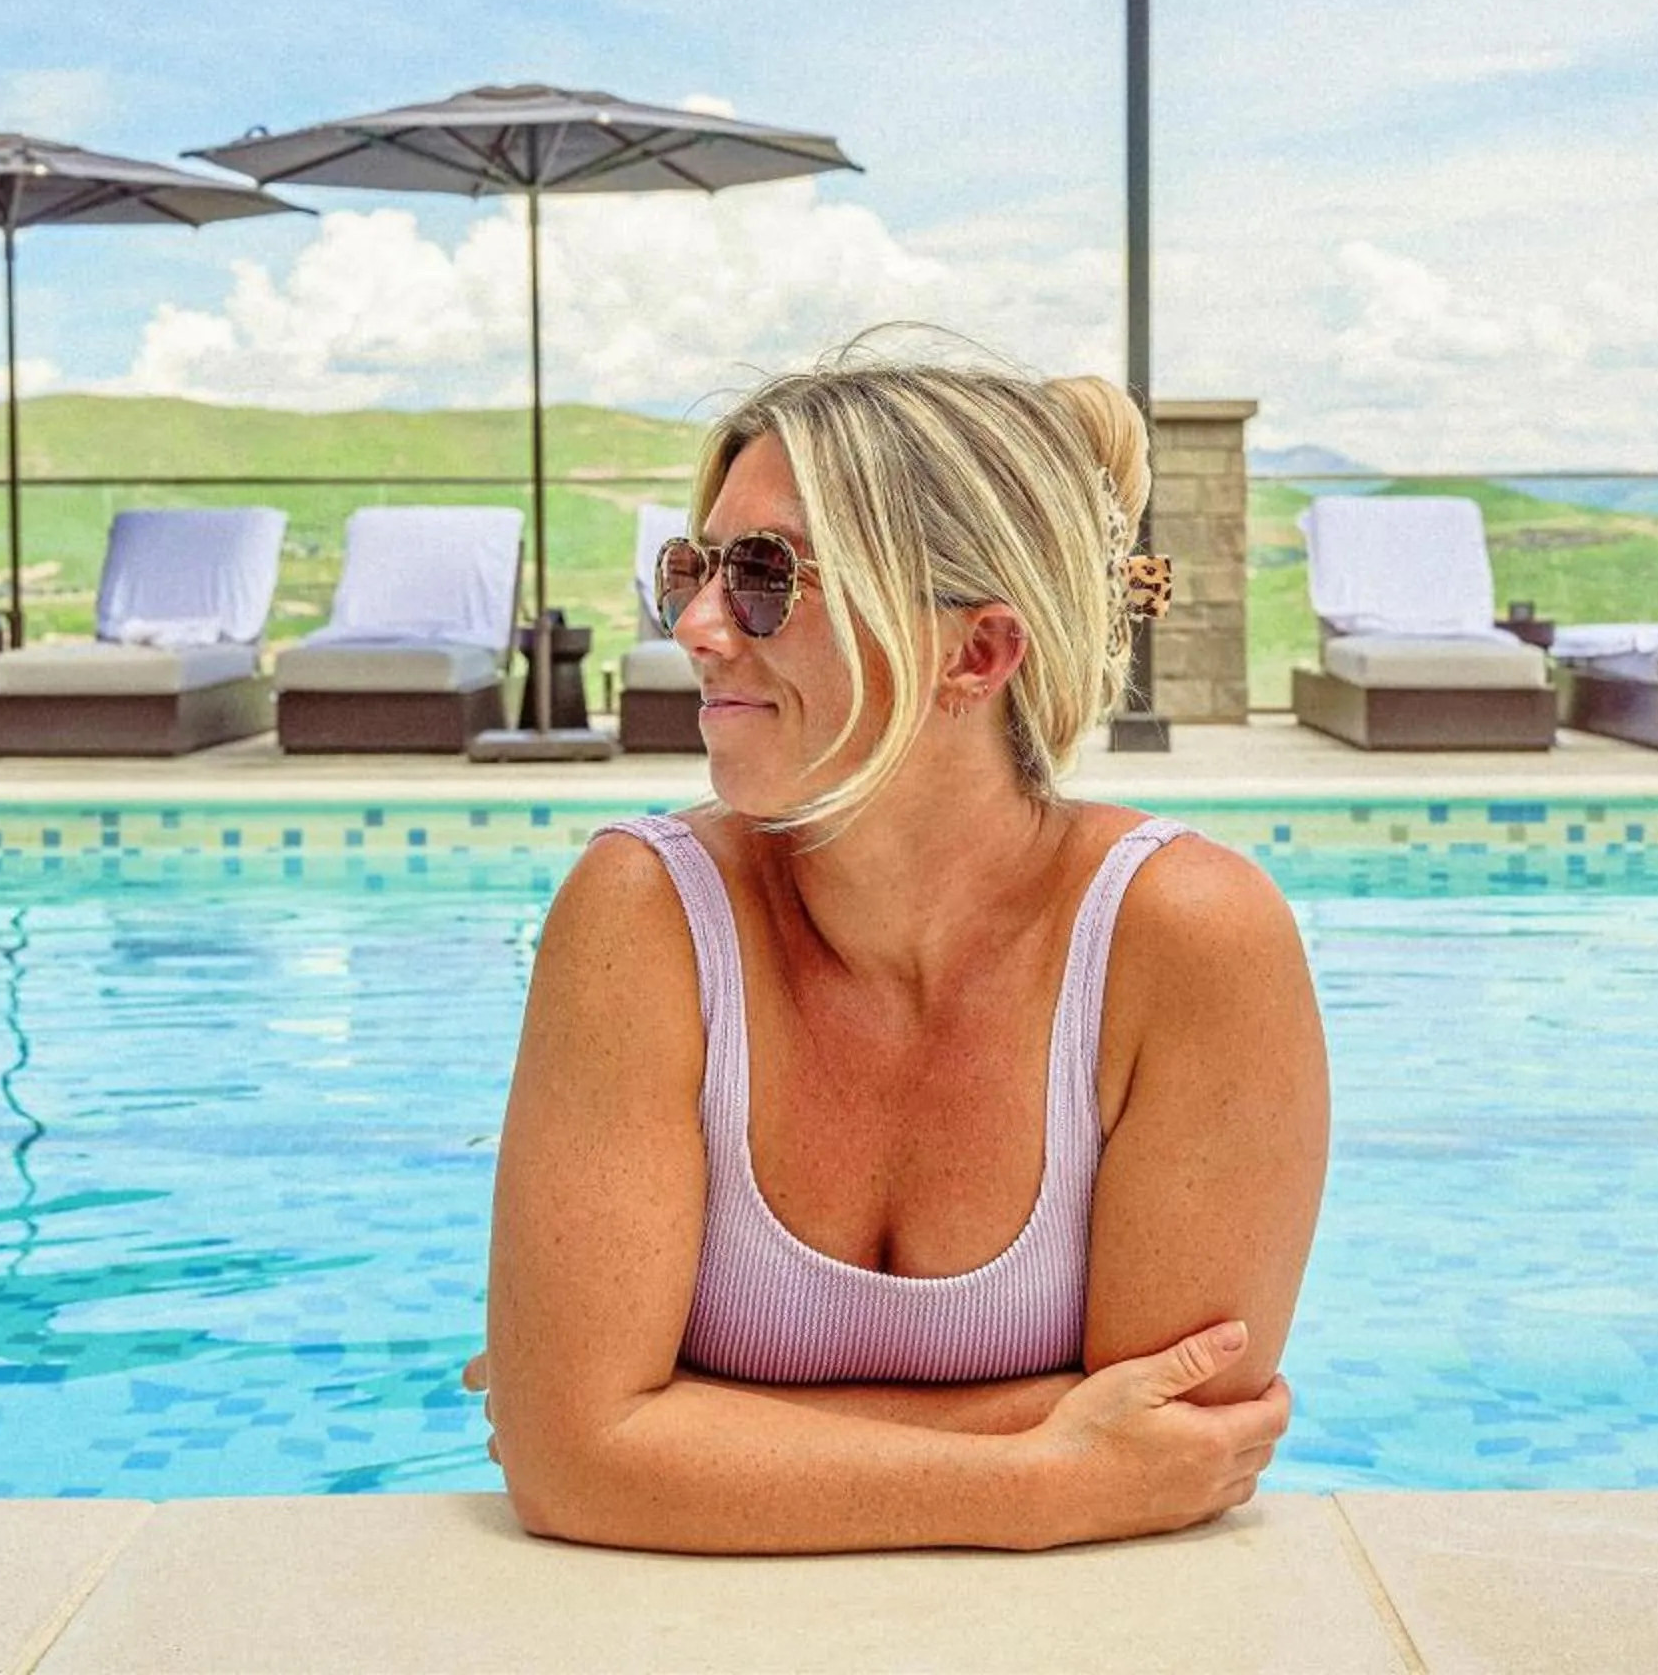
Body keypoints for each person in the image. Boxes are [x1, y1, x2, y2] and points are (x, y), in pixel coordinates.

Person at [468, 343, 1328, 1552]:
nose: (698, 627)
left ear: (976, 652)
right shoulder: (644, 912)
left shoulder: (1185, 937)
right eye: (691, 570)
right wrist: (1040, 1477)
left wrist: (677, 1420)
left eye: (764, 576)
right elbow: (570, 1462)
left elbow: (1184, 1437)